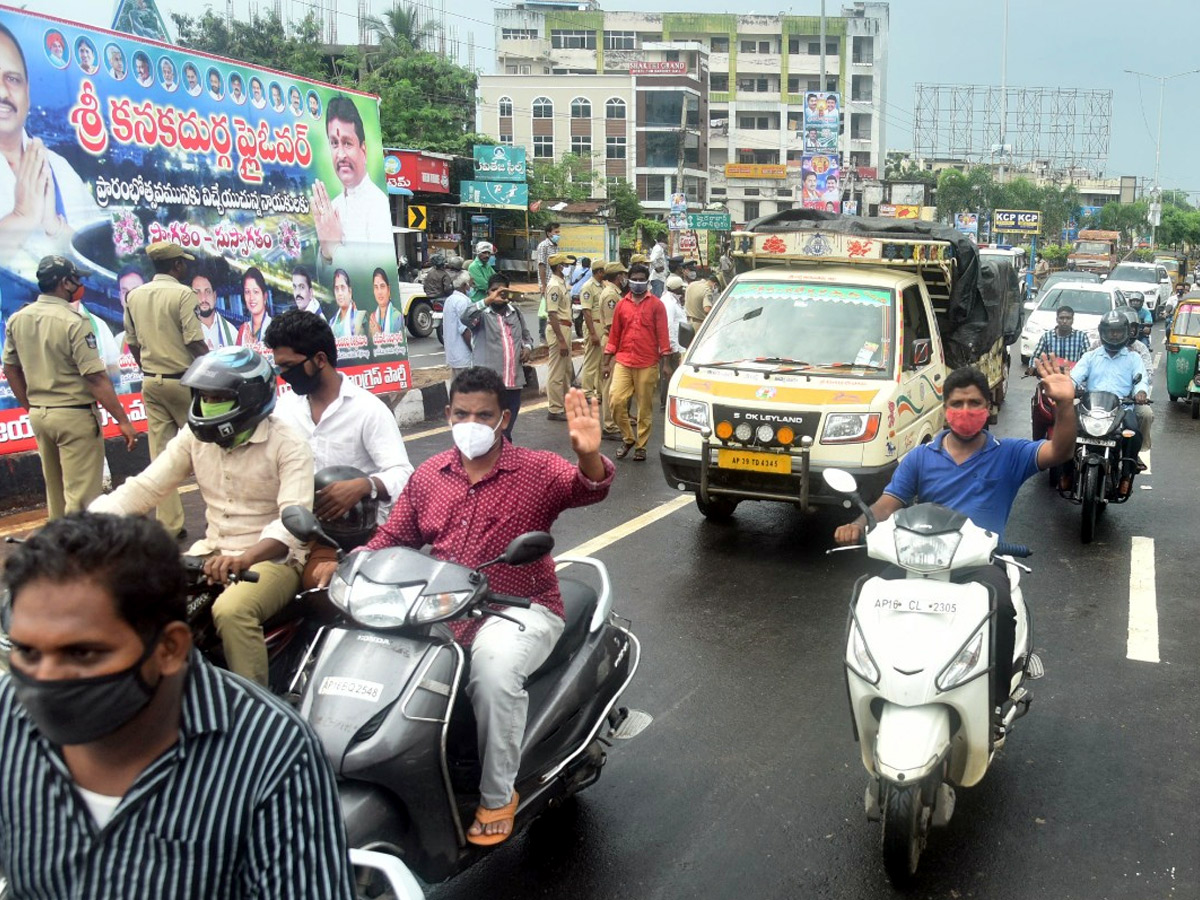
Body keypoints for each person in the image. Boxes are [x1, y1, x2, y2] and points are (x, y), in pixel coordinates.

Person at [308, 368, 614, 846]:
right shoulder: (431, 475)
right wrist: (350, 563)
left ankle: (497, 795)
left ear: (503, 419)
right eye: (462, 413)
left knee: (492, 671)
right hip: (442, 610)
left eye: (483, 415)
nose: (471, 422)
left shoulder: (535, 469)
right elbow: (394, 536)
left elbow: (589, 488)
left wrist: (589, 455)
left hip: (518, 607)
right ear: (449, 414)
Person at [0, 512, 355, 899]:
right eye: (28, 651)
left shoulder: (270, 750)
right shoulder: (9, 713)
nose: (46, 678)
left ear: (169, 649)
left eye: (83, 653)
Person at [834, 360, 1076, 711]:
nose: (966, 411)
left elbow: (1060, 451)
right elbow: (890, 502)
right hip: (921, 560)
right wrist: (860, 523)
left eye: (974, 403)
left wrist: (1066, 405)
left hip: (978, 562)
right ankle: (872, 686)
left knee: (1001, 607)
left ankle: (997, 701)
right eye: (957, 404)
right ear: (945, 410)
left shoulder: (1009, 454)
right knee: (868, 598)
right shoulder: (920, 457)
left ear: (988, 408)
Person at [91, 346, 314, 687]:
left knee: (232, 612)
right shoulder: (194, 437)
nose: (208, 403)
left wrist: (245, 557)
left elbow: (290, 521)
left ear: (249, 397)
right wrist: (80, 526)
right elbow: (145, 488)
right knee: (138, 601)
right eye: (204, 395)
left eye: (218, 396)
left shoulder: (288, 443)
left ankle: (256, 708)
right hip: (210, 553)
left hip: (275, 560)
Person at [2, 256, 138, 518]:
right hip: (74, 417)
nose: (80, 285)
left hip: (41, 416)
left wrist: (30, 407)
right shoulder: (74, 322)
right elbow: (96, 378)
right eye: (76, 279)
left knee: (56, 496)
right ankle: (82, 554)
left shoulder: (19, 319)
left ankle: (58, 551)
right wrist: (122, 420)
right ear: (65, 283)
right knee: (83, 500)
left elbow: (10, 369)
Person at [266, 310, 412, 530]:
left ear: (320, 359)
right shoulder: (284, 409)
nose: (283, 374)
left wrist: (365, 485)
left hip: (360, 533)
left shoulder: (368, 410)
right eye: (279, 367)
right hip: (298, 531)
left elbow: (404, 475)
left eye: (289, 366)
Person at [123, 241, 210, 540]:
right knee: (205, 450)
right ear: (176, 266)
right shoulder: (183, 294)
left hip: (152, 382)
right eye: (182, 263)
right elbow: (194, 341)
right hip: (184, 381)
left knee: (161, 457)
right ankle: (218, 515)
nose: (184, 267)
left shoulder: (134, 296)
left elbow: (132, 343)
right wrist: (214, 369)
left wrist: (147, 368)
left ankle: (169, 525)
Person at [0, 23, 103, 255]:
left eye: (12, 79)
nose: (3, 92)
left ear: (27, 92)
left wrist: (54, 226)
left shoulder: (58, 169)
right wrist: (21, 218)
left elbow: (94, 255)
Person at [1075, 310, 1153, 481]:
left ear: (1125, 332)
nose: (1114, 335)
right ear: (1103, 332)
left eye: (1118, 331)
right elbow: (1075, 376)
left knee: (1133, 433)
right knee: (1068, 429)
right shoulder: (1091, 356)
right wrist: (1068, 386)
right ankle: (1065, 472)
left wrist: (1140, 392)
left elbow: (1141, 379)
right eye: (1111, 331)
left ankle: (1126, 476)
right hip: (1091, 408)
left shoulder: (1134, 358)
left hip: (1122, 409)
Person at [603, 262, 670, 461]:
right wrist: (606, 362)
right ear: (629, 281)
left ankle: (641, 446)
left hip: (647, 362)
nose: (638, 283)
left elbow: (663, 335)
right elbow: (614, 336)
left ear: (647, 282)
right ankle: (628, 437)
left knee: (644, 407)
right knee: (615, 401)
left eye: (642, 280)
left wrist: (666, 364)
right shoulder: (622, 305)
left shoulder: (656, 305)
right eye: (635, 280)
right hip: (623, 360)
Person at [313, 96, 391, 264]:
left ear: (363, 150)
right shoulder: (332, 208)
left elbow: (376, 271)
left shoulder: (378, 206)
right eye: (334, 143)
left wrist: (334, 249)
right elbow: (322, 281)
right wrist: (326, 253)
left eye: (347, 143)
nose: (340, 155)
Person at [462, 274, 533, 440]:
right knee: (490, 430)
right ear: (488, 292)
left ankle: (503, 459)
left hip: (513, 383)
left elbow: (526, 337)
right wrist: (487, 301)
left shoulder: (516, 313)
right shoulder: (481, 316)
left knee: (507, 428)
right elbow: (465, 317)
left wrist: (528, 348)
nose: (497, 294)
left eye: (502, 291)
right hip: (488, 385)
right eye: (494, 290)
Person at [544, 251, 576, 422]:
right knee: (557, 371)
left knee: (565, 371)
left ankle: (562, 405)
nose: (568, 268)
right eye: (566, 265)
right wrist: (561, 340)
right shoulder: (555, 286)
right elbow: (552, 313)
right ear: (559, 267)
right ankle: (555, 408)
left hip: (565, 327)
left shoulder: (561, 283)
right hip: (559, 329)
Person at [597, 261, 627, 441]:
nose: (625, 278)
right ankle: (609, 425)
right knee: (610, 386)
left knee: (615, 385)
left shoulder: (614, 293)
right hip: (612, 342)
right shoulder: (610, 295)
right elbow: (610, 325)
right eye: (623, 275)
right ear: (618, 276)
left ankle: (614, 422)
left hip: (616, 342)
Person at [1026, 305, 1090, 374]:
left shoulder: (1081, 336)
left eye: (1068, 318)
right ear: (1057, 319)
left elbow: (1088, 359)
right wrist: (1033, 368)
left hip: (1073, 378)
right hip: (1051, 377)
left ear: (1072, 320)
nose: (1065, 321)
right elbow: (1036, 356)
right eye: (1061, 318)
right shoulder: (1047, 336)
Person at [579, 260, 607, 402]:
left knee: (601, 361)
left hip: (602, 325)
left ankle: (600, 392)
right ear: (599, 272)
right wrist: (592, 333)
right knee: (591, 361)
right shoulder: (588, 287)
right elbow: (586, 311)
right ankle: (587, 392)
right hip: (594, 325)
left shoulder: (602, 286)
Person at [659, 275, 687, 409]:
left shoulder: (672, 300)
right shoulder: (669, 302)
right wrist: (672, 348)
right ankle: (666, 403)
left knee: (671, 374)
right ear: (677, 288)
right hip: (671, 346)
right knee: (669, 375)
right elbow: (668, 326)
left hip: (676, 344)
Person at [442, 270, 476, 377]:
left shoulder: (450, 300)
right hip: (464, 356)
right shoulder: (463, 302)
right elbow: (465, 330)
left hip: (454, 355)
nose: (472, 287)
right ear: (465, 285)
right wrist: (475, 350)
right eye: (470, 284)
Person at [194, 270, 238, 350]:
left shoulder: (232, 333)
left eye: (208, 292)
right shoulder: (184, 333)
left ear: (214, 296)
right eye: (197, 292)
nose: (203, 298)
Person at [236, 266, 273, 349]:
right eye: (247, 292)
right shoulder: (243, 330)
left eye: (256, 292)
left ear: (265, 296)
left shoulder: (276, 329)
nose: (251, 298)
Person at [535, 223, 561, 340]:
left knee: (554, 308)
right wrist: (543, 285)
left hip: (556, 282)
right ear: (549, 233)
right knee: (545, 310)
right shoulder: (543, 246)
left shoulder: (555, 246)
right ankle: (542, 335)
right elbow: (542, 266)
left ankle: (553, 332)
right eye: (556, 232)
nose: (558, 234)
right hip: (547, 283)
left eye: (558, 232)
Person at [329, 268, 366, 338]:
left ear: (350, 292)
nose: (339, 293)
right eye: (336, 289)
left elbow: (363, 347)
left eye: (342, 288)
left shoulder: (360, 318)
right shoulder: (331, 323)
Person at [368, 267, 402, 335]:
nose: (379, 292)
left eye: (382, 286)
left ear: (388, 290)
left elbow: (398, 343)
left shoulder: (397, 317)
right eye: (376, 287)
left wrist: (378, 334)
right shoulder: (373, 318)